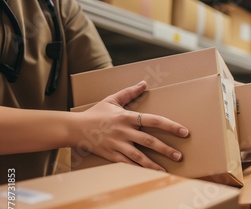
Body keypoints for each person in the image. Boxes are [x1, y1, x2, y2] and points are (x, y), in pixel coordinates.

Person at [0, 0, 189, 184]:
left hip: (30, 197)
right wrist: (78, 129)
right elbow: (91, 125)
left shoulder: (60, 7)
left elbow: (109, 95)